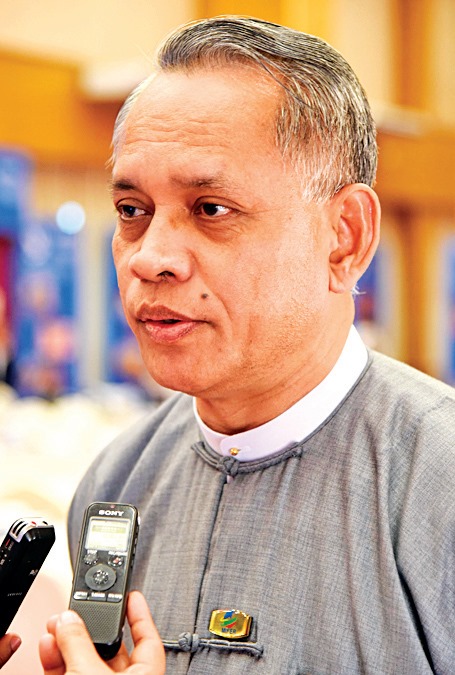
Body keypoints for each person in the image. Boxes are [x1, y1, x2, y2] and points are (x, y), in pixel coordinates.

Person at [65, 15, 455, 674]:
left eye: (211, 209)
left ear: (344, 238)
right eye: (132, 211)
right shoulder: (118, 483)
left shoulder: (434, 485)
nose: (150, 257)